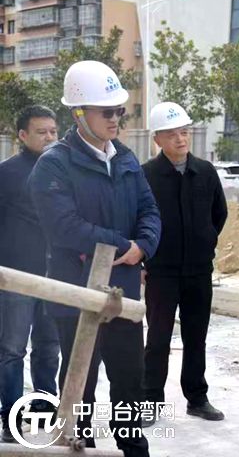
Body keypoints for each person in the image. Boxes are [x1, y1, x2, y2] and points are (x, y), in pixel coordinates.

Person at [29, 60, 160, 457]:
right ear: (79, 113)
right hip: (76, 292)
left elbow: (149, 210)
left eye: (119, 109)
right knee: (79, 382)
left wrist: (144, 245)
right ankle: (77, 444)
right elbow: (64, 227)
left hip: (123, 292)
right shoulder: (54, 164)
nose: (115, 118)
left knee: (129, 379)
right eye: (106, 111)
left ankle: (132, 445)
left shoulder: (126, 158)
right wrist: (124, 245)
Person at [140, 102, 228, 427]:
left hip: (198, 270)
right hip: (161, 271)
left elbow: (219, 213)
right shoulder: (146, 175)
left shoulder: (205, 171)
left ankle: (197, 398)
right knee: (158, 339)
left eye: (184, 132)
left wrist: (205, 241)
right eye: (172, 134)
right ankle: (150, 401)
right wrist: (143, 260)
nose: (180, 139)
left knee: (196, 336)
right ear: (157, 139)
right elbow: (136, 219)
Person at [0, 105, 60, 442]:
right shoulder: (6, 173)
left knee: (49, 348)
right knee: (11, 350)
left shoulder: (64, 171)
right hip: (15, 279)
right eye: (41, 132)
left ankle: (44, 411)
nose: (49, 137)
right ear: (23, 135)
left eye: (53, 131)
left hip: (56, 277)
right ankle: (10, 417)